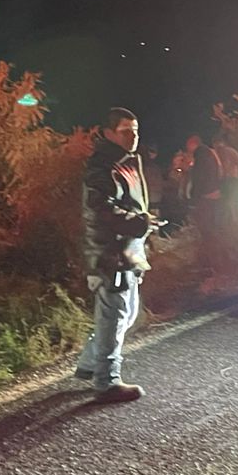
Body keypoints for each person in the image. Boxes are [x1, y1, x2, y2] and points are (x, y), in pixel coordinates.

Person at [75, 107, 153, 402]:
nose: (133, 136)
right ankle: (106, 381)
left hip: (125, 251)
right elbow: (100, 208)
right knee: (115, 315)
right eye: (125, 131)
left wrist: (143, 223)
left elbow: (127, 208)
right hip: (111, 253)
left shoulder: (124, 162)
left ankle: (89, 365)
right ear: (108, 133)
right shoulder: (103, 165)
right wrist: (140, 222)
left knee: (125, 314)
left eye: (135, 130)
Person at [185, 132, 226, 273]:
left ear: (193, 144)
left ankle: (212, 264)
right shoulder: (211, 153)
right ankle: (213, 262)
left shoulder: (201, 154)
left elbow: (199, 177)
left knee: (207, 231)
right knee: (212, 230)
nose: (187, 149)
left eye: (188, 146)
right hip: (215, 195)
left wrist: (194, 197)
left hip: (205, 197)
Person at [213, 135, 238, 229]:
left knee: (230, 200)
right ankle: (231, 220)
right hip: (224, 180)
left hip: (230, 179)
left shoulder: (227, 152)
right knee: (227, 200)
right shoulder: (216, 153)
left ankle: (233, 220)